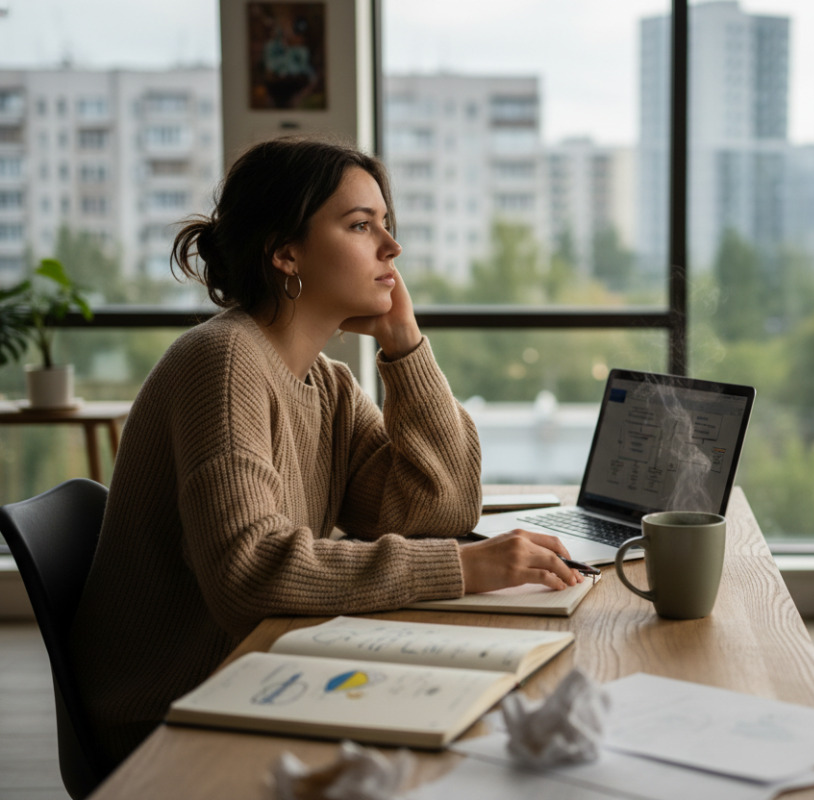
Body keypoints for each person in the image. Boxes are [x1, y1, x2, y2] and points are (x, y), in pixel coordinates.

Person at [70, 137, 582, 765]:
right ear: (286, 253)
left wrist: (406, 344)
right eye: (361, 226)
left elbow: (435, 512)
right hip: (169, 717)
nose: (392, 249)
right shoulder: (223, 362)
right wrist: (467, 568)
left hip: (256, 673)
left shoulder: (327, 384)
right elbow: (249, 575)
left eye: (386, 226)